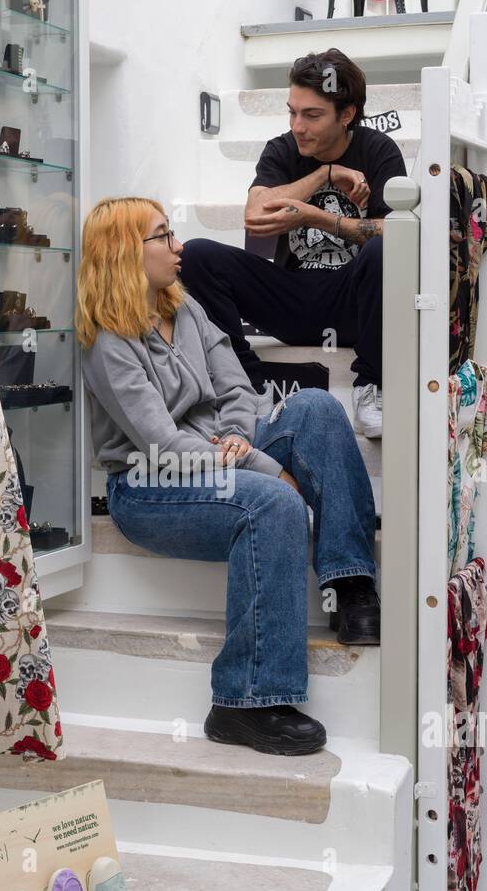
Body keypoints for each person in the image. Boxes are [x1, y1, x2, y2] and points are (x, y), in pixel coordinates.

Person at [76, 196, 379, 758]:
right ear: (125, 252)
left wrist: (241, 438)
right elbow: (161, 444)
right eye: (163, 236)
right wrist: (263, 466)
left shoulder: (184, 307)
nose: (178, 246)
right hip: (151, 484)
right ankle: (246, 701)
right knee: (272, 504)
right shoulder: (107, 340)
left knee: (316, 406)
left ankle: (351, 583)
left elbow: (238, 386)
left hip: (222, 452)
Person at [178, 48, 407, 440]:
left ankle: (371, 387)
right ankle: (249, 385)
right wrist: (325, 174)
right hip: (293, 299)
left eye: (312, 115)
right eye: (292, 112)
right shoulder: (283, 149)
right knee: (197, 255)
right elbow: (256, 214)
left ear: (347, 114)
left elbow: (396, 234)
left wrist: (317, 218)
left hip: (354, 304)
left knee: (383, 250)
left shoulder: (378, 151)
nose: (298, 126)